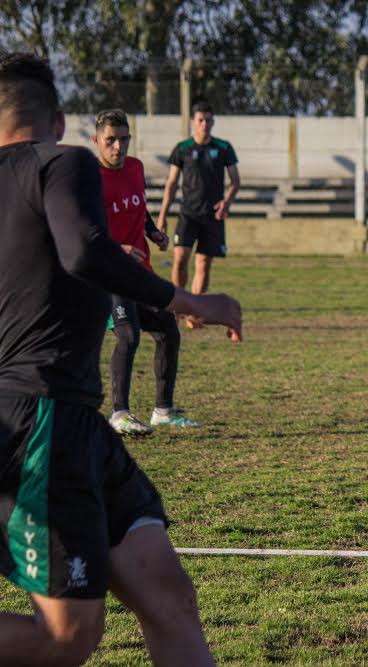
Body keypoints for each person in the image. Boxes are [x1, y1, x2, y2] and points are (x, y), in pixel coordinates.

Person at [0, 52, 242, 664]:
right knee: (67, 637)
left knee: (169, 597)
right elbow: (83, 252)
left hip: (71, 421)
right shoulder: (62, 161)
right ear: (59, 120)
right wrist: (190, 299)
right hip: (41, 417)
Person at [93, 108, 201, 435]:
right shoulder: (88, 177)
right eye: (110, 140)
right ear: (97, 140)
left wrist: (153, 232)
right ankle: (119, 413)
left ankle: (163, 411)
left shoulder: (136, 168)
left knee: (168, 330)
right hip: (109, 273)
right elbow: (85, 228)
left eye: (124, 139)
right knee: (128, 335)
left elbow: (139, 207)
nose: (118, 147)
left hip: (140, 273)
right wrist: (118, 248)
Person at [156, 101, 239, 328]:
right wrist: (162, 216)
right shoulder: (182, 148)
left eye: (209, 120)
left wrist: (227, 202)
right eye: (200, 120)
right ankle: (177, 307)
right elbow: (172, 184)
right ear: (193, 122)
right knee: (180, 259)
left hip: (212, 216)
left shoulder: (223, 148)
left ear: (213, 122)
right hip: (188, 214)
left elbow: (235, 181)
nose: (205, 124)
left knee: (203, 264)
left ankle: (194, 313)